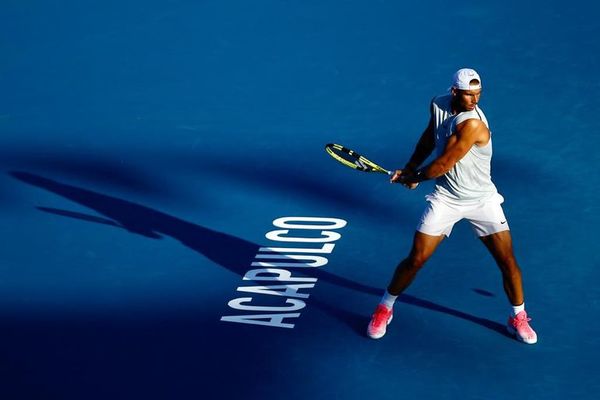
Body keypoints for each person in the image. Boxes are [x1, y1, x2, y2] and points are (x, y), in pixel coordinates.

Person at [367, 68, 537, 344]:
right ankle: (384, 307)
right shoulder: (438, 103)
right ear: (454, 91)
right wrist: (411, 168)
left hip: (482, 200)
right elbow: (429, 137)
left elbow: (444, 163)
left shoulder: (473, 124)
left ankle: (518, 315)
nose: (475, 100)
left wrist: (414, 178)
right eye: (469, 95)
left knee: (507, 260)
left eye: (478, 94)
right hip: (446, 199)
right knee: (416, 259)